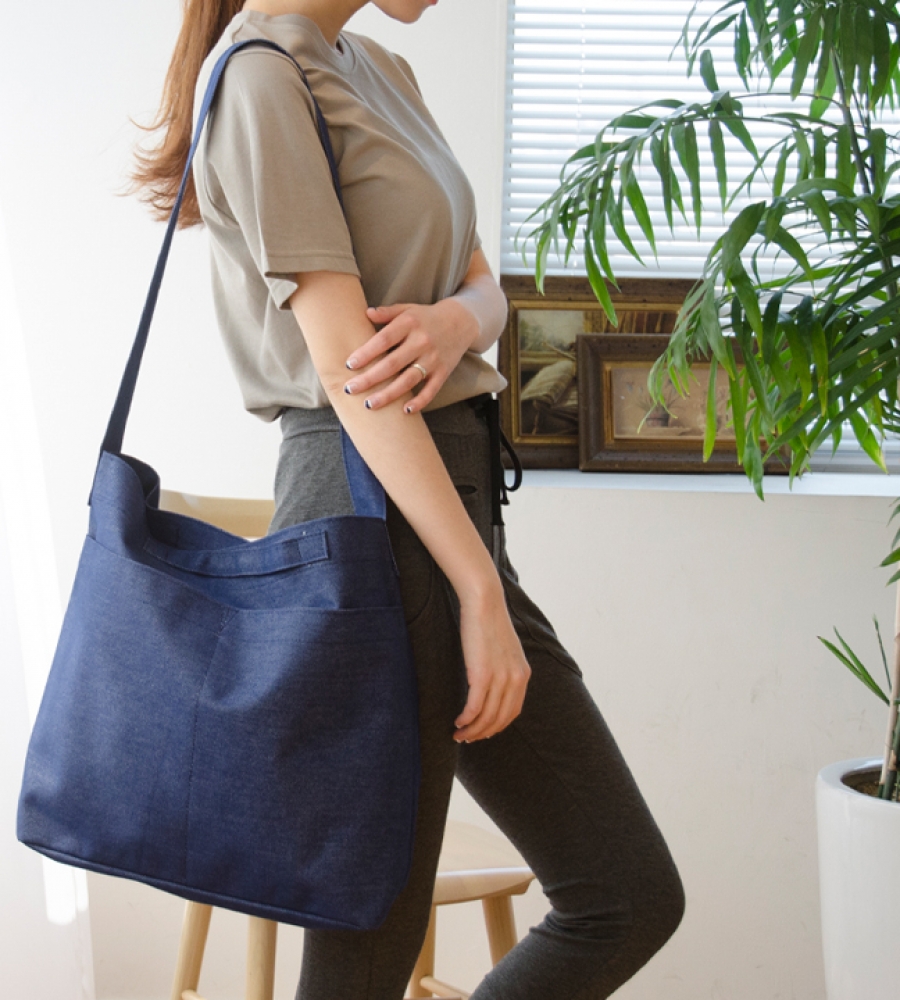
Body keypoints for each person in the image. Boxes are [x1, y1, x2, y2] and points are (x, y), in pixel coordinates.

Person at [131, 2, 684, 997]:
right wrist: (478, 589)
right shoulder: (260, 76)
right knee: (370, 942)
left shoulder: (380, 67)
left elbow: (485, 285)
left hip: (443, 507)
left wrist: (453, 321)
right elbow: (353, 375)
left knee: (624, 891)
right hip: (371, 509)